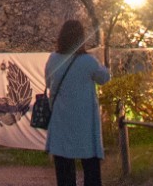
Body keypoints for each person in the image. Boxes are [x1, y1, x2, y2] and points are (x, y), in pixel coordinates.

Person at [44, 18, 109, 186]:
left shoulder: (53, 59)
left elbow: (49, 83)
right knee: (91, 169)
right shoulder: (88, 62)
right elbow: (104, 78)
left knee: (64, 172)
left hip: (61, 121)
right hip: (85, 123)